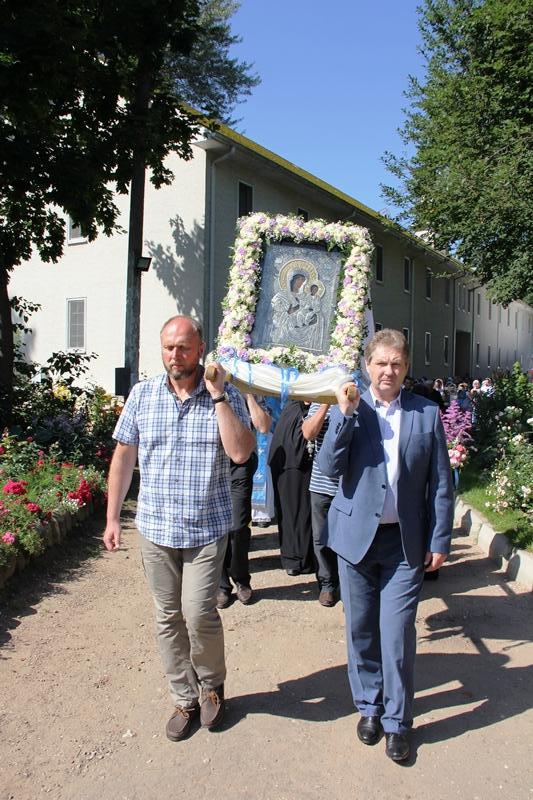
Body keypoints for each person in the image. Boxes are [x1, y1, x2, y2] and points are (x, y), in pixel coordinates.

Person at [102, 315, 255, 742]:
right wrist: (112, 517)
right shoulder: (143, 394)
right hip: (156, 528)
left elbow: (242, 453)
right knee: (167, 617)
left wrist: (219, 396)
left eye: (184, 347)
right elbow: (124, 458)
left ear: (200, 349)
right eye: (169, 347)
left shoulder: (224, 394)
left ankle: (212, 685)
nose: (175, 355)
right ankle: (184, 697)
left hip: (206, 529)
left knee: (198, 612)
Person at [317, 328, 453, 762]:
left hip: (404, 544)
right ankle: (369, 708)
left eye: (396, 363)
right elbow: (329, 466)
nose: (388, 371)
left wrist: (440, 538)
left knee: (396, 635)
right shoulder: (351, 408)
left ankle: (397, 721)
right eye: (381, 363)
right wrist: (343, 415)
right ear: (367, 366)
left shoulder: (426, 414)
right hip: (355, 540)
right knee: (360, 630)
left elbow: (441, 484)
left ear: (406, 367)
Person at [217, 394, 272, 609]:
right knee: (217, 526)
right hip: (211, 463)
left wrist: (248, 394)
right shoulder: (205, 386)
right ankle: (221, 585)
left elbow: (264, 425)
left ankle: (241, 579)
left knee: (238, 526)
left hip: (240, 464)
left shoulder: (249, 389)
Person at [268, 400, 315, 575]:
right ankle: (297, 559)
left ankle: (297, 558)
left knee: (296, 513)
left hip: (290, 464)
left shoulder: (293, 408)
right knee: (296, 512)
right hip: (292, 464)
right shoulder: (296, 409)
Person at [301, 403, 340, 606]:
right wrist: (325, 403)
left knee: (350, 539)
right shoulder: (319, 401)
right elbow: (308, 433)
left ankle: (351, 585)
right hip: (321, 484)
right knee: (321, 538)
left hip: (351, 486)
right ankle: (327, 584)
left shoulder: (361, 397)